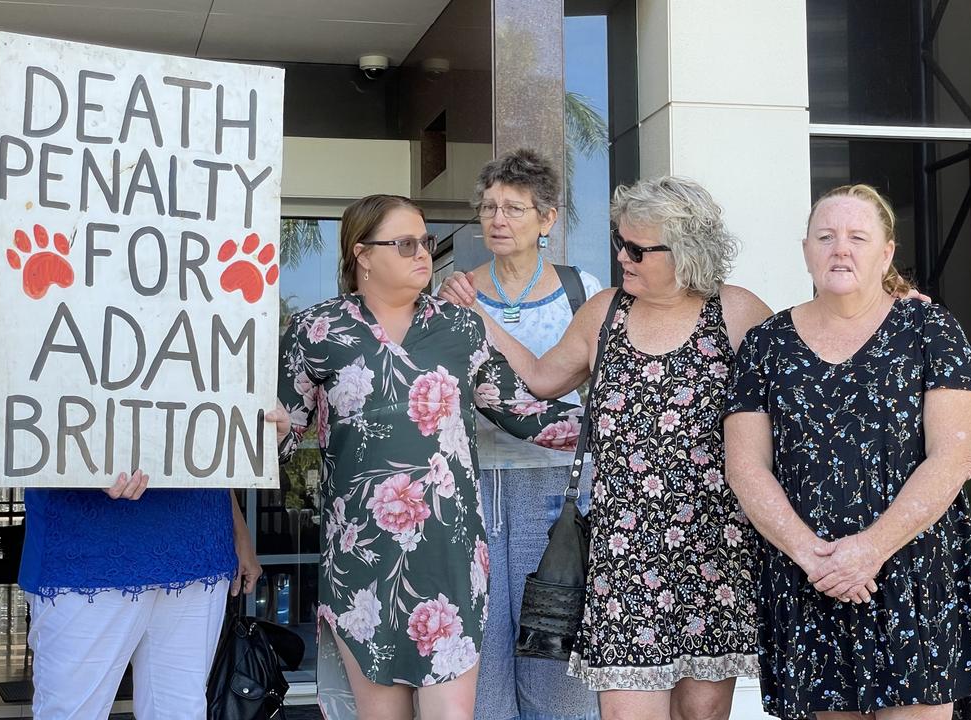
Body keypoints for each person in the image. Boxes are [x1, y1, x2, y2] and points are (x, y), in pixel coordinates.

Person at [440, 176, 770, 720]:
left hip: (715, 548)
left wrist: (889, 306)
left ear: (687, 251)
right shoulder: (605, 311)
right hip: (623, 550)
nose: (622, 256)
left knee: (702, 713)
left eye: (638, 249)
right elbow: (543, 380)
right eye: (621, 242)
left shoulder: (736, 312)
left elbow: (804, 386)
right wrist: (482, 321)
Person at [268, 194, 582, 720]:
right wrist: (268, 428)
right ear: (362, 254)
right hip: (361, 557)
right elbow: (283, 438)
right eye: (406, 243)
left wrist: (624, 424)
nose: (423, 255)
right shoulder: (316, 331)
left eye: (426, 242)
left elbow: (524, 414)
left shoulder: (460, 328)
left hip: (449, 553)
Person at [722, 184, 971, 720]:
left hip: (914, 574)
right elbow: (745, 467)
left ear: (886, 253)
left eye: (857, 237)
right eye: (826, 237)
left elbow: (956, 458)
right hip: (809, 579)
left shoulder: (931, 331)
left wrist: (869, 551)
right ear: (806, 249)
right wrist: (816, 559)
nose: (840, 249)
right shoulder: (765, 344)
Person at [460, 148, 603, 720]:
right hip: (476, 483)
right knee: (481, 653)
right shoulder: (455, 290)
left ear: (546, 220)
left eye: (515, 208)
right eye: (490, 206)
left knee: (556, 648)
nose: (498, 219)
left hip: (560, 487)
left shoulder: (582, 290)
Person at [20, 473, 261, 720]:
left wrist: (239, 529)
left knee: (179, 711)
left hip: (198, 541)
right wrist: (90, 462)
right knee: (71, 711)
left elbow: (211, 441)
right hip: (86, 549)